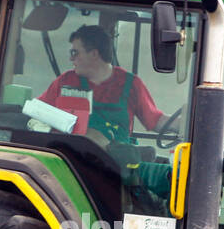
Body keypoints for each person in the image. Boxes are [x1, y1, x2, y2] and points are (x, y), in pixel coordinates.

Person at [37, 25, 171, 146]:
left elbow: (155, 120)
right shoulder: (66, 81)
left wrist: (187, 122)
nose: (71, 59)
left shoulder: (130, 84)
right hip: (68, 159)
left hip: (113, 165)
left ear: (94, 54)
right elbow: (38, 111)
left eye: (75, 53)